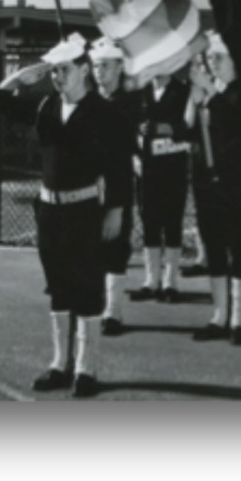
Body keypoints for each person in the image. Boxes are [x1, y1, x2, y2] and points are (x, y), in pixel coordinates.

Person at [0, 33, 131, 398]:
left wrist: (115, 208)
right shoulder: (47, 108)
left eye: (63, 70)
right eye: (53, 71)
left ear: (84, 71)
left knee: (86, 288)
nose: (56, 77)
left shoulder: (104, 112)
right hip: (49, 211)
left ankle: (86, 369)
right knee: (58, 288)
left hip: (85, 211)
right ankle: (59, 364)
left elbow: (119, 167)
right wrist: (19, 78)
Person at [186, 33, 241, 345]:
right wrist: (195, 95)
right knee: (213, 243)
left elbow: (235, 121)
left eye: (219, 58)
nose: (212, 63)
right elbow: (188, 125)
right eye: (210, 58)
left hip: (233, 178)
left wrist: (210, 92)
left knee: (237, 243)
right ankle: (219, 314)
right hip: (205, 178)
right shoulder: (208, 92)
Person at [90, 36, 141, 336]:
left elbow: (122, 163)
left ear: (119, 68)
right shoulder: (85, 102)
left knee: (115, 249)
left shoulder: (128, 105)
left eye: (106, 66)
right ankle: (93, 306)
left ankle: (113, 312)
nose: (100, 72)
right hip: (85, 191)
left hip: (115, 192)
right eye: (96, 66)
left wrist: (117, 207)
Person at [129, 71, 191, 303]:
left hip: (173, 166)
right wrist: (135, 153)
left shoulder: (183, 91)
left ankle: (170, 282)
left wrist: (165, 128)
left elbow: (189, 129)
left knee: (173, 221)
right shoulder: (141, 92)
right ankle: (151, 280)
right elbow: (131, 126)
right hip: (146, 168)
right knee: (150, 222)